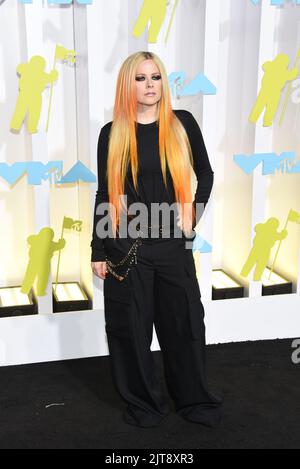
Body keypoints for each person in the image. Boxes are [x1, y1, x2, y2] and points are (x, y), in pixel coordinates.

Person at [90, 51, 222, 428]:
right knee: (131, 329)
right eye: (141, 79)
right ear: (127, 85)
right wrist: (98, 250)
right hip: (125, 247)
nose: (150, 86)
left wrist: (191, 215)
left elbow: (207, 175)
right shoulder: (112, 133)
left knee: (184, 324)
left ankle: (194, 400)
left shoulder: (182, 124)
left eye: (156, 78)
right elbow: (104, 194)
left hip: (171, 245)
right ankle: (144, 404)